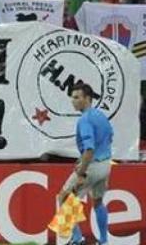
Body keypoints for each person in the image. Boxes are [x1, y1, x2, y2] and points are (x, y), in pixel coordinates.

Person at [57, 82, 111, 245]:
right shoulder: (101, 116)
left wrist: (81, 172)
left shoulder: (85, 120)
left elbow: (89, 149)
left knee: (64, 198)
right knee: (98, 201)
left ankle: (76, 238)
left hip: (92, 167)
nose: (73, 101)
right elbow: (109, 138)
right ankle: (103, 241)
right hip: (105, 165)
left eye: (77, 97)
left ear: (87, 98)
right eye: (72, 98)